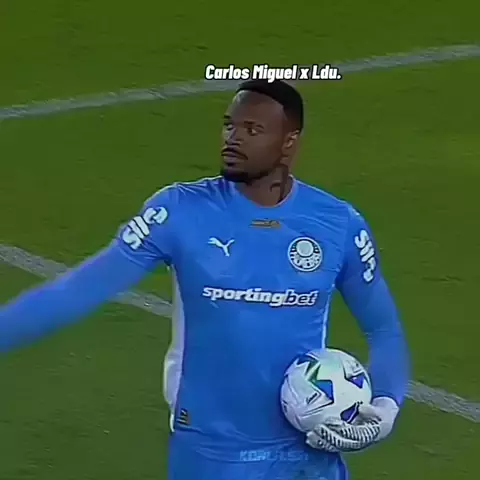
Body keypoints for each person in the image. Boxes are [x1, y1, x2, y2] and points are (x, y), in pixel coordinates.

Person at [0, 79, 410, 479]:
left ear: (289, 142)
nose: (233, 138)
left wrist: (386, 409)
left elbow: (384, 328)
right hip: (212, 454)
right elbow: (79, 289)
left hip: (308, 453)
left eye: (252, 129)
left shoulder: (337, 223)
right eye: (229, 125)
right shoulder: (179, 212)